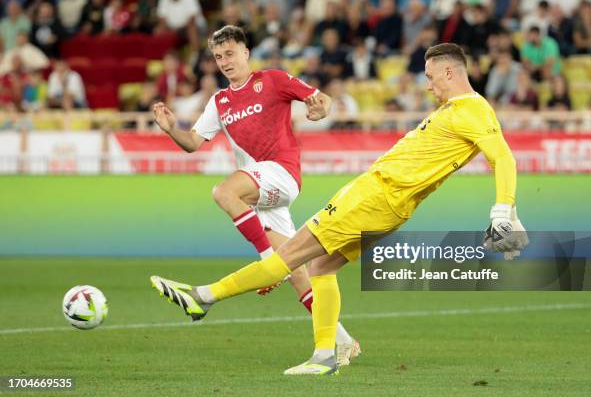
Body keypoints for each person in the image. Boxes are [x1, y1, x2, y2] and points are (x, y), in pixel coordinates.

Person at [150, 43, 529, 375]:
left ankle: (203, 297)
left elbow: (504, 157)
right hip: (389, 205)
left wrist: (502, 211)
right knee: (321, 267)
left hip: (375, 196)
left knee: (292, 254)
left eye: (431, 76)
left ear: (450, 72)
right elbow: (496, 158)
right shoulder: (460, 111)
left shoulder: (472, 109)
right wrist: (509, 214)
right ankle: (326, 354)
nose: (428, 84)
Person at [150, 25, 360, 366]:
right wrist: (171, 128)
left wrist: (322, 108)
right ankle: (344, 341)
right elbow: (192, 144)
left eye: (230, 53)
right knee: (296, 272)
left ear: (246, 52)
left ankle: (265, 262)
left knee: (224, 192)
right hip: (259, 191)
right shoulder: (219, 101)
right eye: (218, 57)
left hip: (280, 173)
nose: (224, 62)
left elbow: (321, 98)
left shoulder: (273, 80)